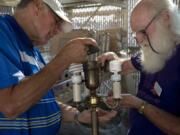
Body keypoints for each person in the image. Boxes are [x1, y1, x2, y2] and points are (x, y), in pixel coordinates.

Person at [0, 0, 117, 135]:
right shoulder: (3, 34)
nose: (58, 31)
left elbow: (39, 100)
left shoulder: (33, 50)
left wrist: (76, 115)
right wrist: (64, 59)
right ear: (37, 6)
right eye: (56, 21)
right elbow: (10, 105)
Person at [98, 0, 180, 135]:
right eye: (135, 33)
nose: (139, 40)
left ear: (166, 18)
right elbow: (125, 65)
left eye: (142, 31)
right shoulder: (153, 49)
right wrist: (113, 60)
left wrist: (139, 104)